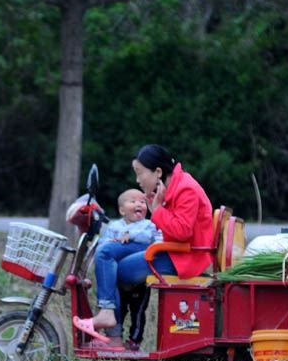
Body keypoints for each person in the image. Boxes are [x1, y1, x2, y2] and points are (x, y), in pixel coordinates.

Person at [73, 144, 214, 342]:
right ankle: (111, 328)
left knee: (115, 269)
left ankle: (111, 329)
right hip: (174, 251)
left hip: (182, 257)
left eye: (140, 174)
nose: (138, 181)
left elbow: (182, 232)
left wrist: (156, 210)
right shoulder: (177, 185)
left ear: (158, 172)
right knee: (106, 252)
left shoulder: (186, 189)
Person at [94, 189, 161, 348]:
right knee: (120, 308)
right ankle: (115, 338)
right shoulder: (115, 226)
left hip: (138, 279)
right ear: (122, 210)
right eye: (133, 201)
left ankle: (135, 341)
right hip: (118, 278)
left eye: (142, 202)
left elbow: (149, 237)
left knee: (138, 311)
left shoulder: (148, 224)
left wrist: (131, 236)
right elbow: (104, 243)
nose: (139, 204)